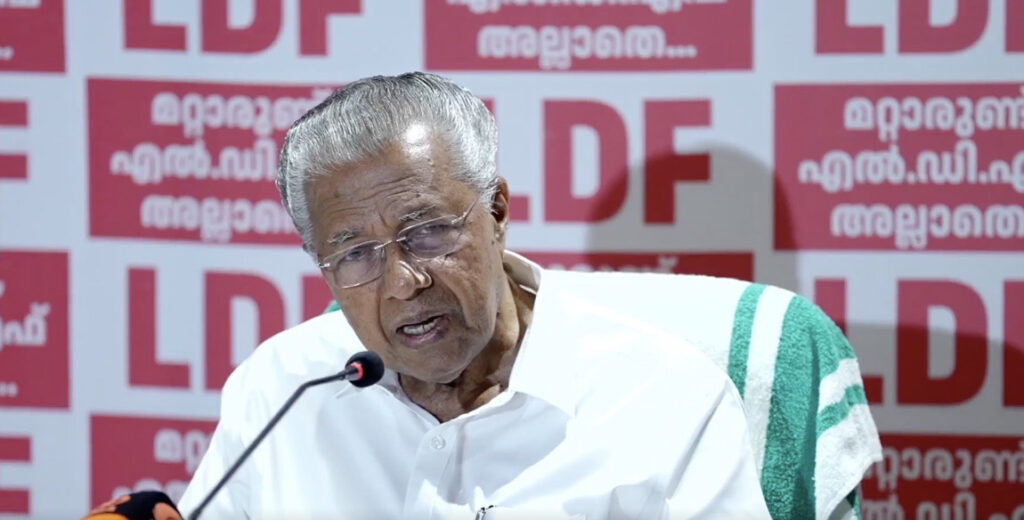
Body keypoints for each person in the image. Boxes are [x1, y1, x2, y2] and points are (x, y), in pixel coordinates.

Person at [175, 72, 772, 518]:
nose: (404, 283)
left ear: (497, 212)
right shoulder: (282, 388)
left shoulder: (664, 399)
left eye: (428, 232)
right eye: (356, 254)